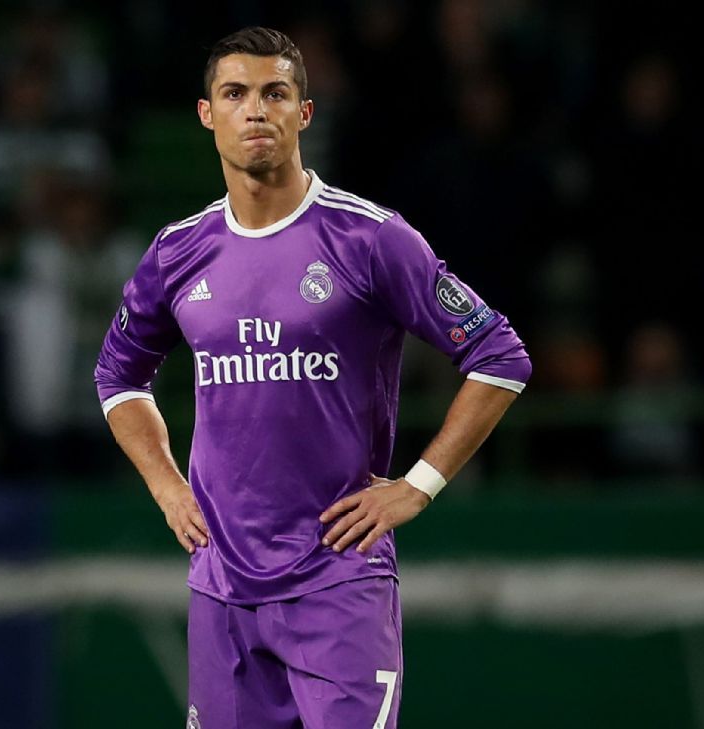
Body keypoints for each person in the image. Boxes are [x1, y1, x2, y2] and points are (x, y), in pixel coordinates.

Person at [94, 27, 531, 728]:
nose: (255, 110)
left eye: (276, 93)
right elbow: (118, 375)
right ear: (207, 114)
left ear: (304, 112)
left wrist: (417, 487)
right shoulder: (177, 251)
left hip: (338, 581)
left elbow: (500, 356)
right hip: (223, 588)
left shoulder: (371, 239)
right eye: (235, 94)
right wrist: (165, 482)